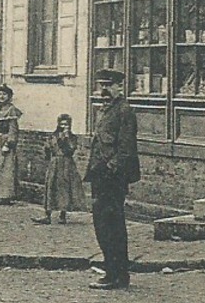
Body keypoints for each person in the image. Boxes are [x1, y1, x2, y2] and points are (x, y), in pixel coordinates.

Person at [85, 68, 140, 289]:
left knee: (111, 225)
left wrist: (110, 169)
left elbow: (126, 149)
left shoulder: (124, 111)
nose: (104, 90)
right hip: (100, 174)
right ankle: (114, 272)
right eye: (102, 86)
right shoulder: (106, 110)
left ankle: (116, 275)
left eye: (109, 86)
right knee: (103, 224)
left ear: (120, 87)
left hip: (112, 177)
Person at [34, 113, 83, 224]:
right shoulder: (53, 136)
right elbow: (47, 149)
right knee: (51, 186)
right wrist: (47, 149)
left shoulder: (72, 138)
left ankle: (62, 215)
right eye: (62, 123)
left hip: (66, 164)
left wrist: (66, 138)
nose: (64, 126)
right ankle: (47, 215)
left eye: (66, 124)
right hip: (55, 163)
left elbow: (70, 150)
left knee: (64, 188)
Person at [0, 84, 22, 204]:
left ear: (9, 96)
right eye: (0, 94)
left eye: (4, 94)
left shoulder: (11, 110)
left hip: (5, 139)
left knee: (5, 166)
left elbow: (13, 129)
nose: (2, 96)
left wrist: (9, 143)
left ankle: (5, 195)